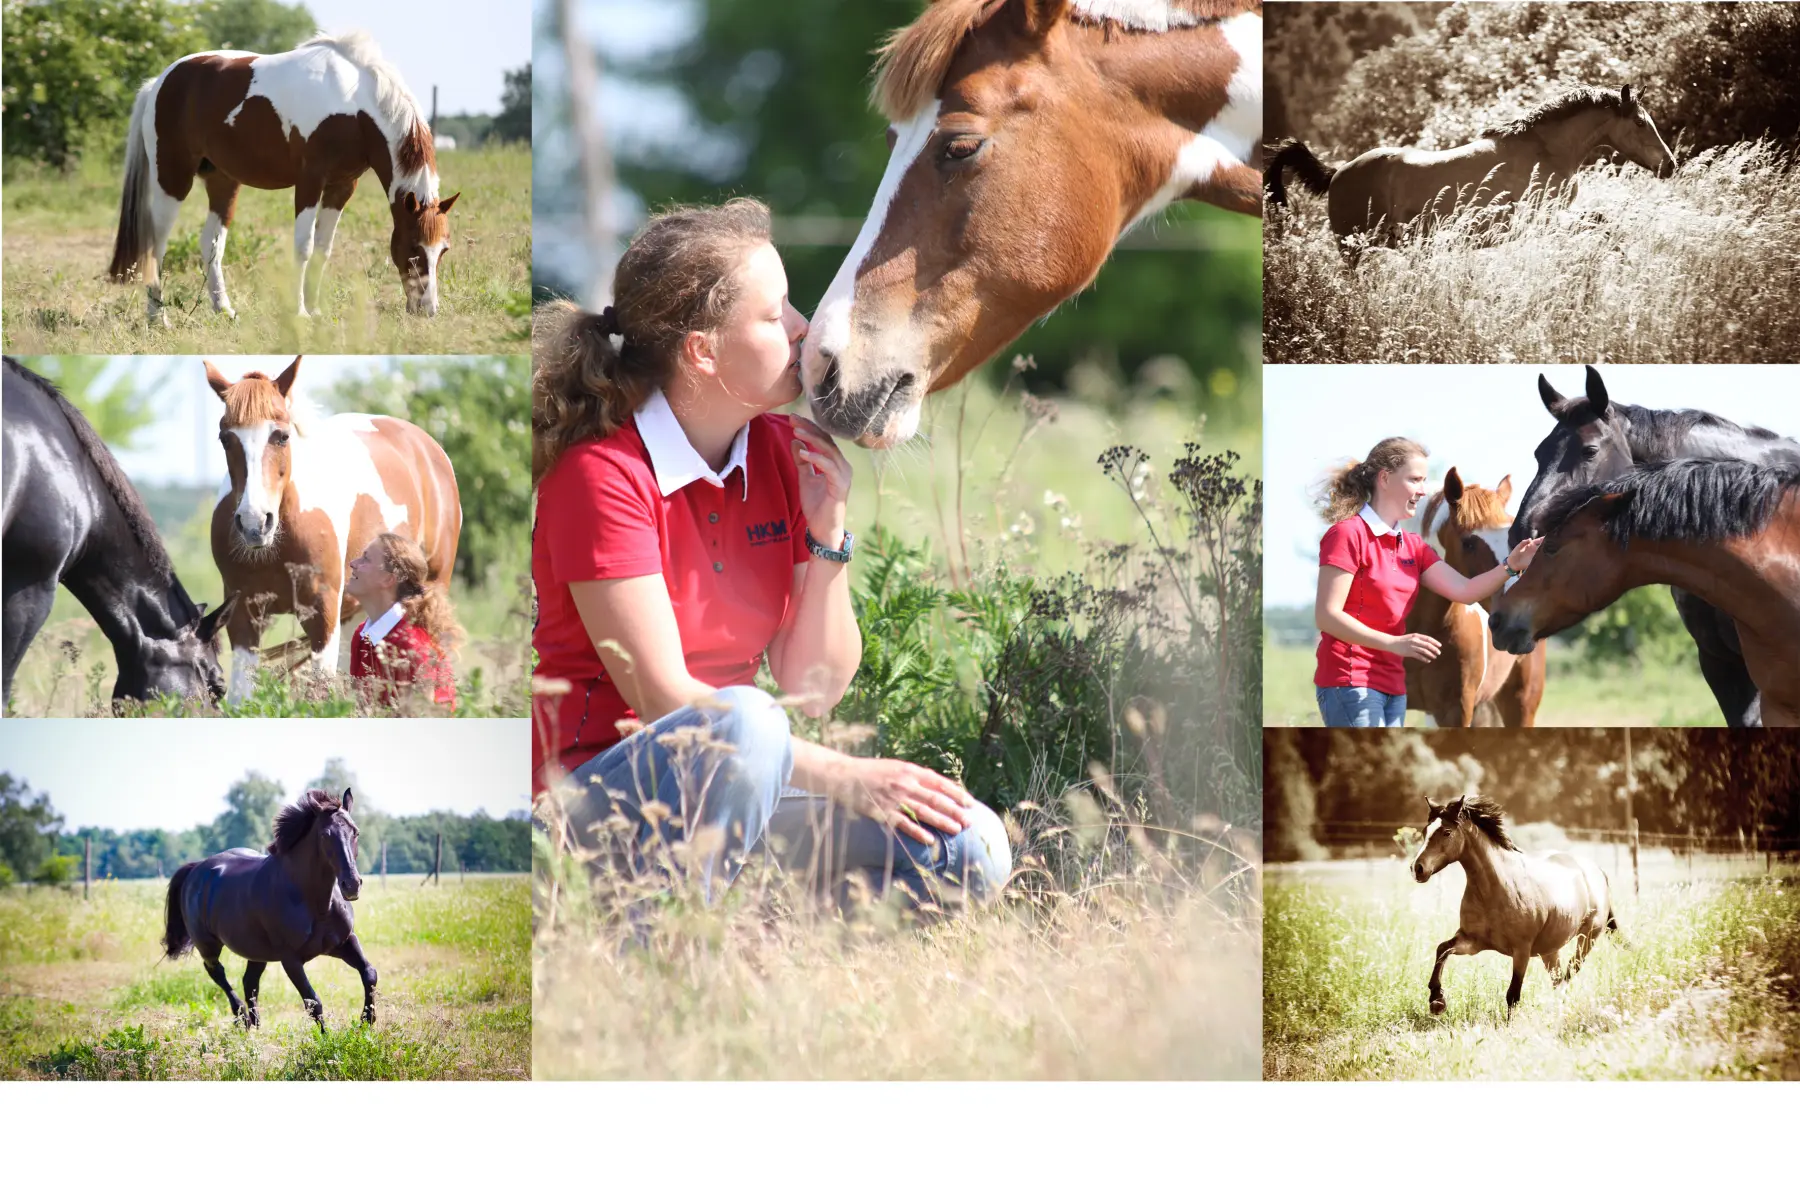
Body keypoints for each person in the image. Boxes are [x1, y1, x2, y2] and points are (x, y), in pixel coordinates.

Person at [531, 198, 1009, 908]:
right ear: (701, 350)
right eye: (774, 314)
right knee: (749, 719)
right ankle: (664, 958)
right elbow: (666, 701)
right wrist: (848, 777)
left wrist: (827, 536)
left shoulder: (785, 456)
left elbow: (815, 688)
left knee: (970, 845)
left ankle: (754, 942)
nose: (804, 328)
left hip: (744, 785)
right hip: (584, 810)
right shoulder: (602, 477)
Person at [1313, 437, 1542, 727]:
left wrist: (1513, 564)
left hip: (1391, 687)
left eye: (1424, 481)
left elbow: (1465, 589)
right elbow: (1327, 615)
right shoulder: (1347, 535)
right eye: (1415, 480)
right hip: (1351, 680)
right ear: (1384, 479)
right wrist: (1393, 643)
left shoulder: (1412, 546)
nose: (1423, 490)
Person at [345, 532, 460, 712]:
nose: (353, 564)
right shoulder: (361, 635)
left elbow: (421, 722)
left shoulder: (413, 646)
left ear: (388, 579)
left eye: (366, 559)